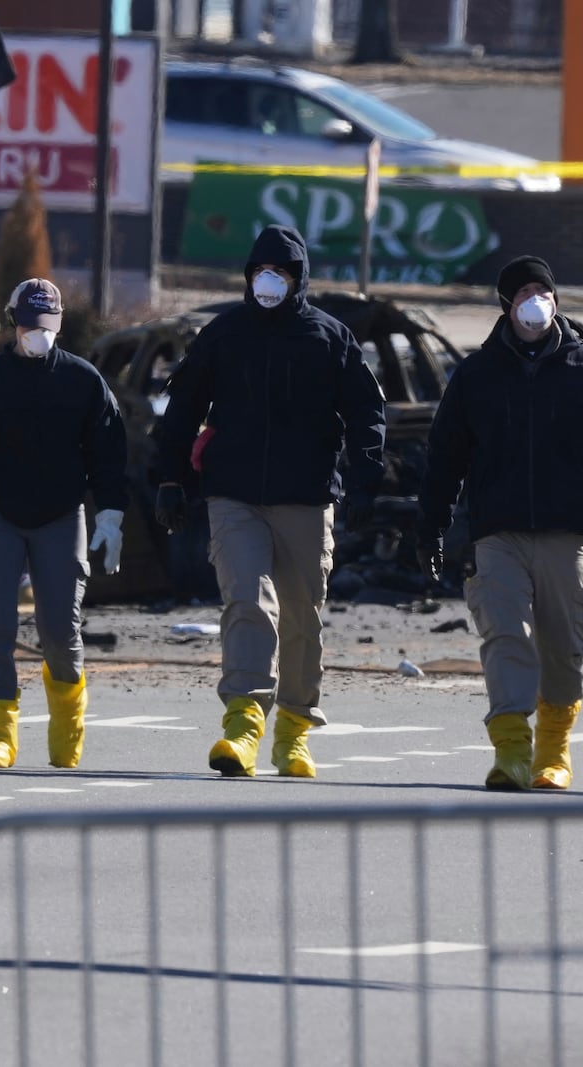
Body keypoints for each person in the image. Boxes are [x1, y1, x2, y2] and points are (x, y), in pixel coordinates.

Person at [152, 223, 386, 779]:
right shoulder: (223, 335)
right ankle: (243, 726)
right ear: (247, 276)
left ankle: (294, 732)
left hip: (305, 499)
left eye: (280, 272)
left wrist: (365, 482)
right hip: (233, 497)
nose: (269, 281)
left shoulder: (330, 337)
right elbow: (182, 409)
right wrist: (169, 479)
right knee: (247, 602)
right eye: (261, 271)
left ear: (298, 278)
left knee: (302, 619)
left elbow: (366, 413)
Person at [417, 255, 583, 791]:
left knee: (563, 647)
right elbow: (445, 458)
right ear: (505, 305)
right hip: (497, 534)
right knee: (504, 635)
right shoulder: (475, 375)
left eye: (541, 290)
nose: (533, 301)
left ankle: (553, 751)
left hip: (568, 533)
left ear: (556, 299)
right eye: (522, 293)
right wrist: (431, 527)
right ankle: (512, 752)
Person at [0, 278, 127, 771]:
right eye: (32, 325)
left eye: (49, 326)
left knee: (60, 627)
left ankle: (67, 730)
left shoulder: (83, 380)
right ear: (14, 322)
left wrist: (113, 514)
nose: (40, 335)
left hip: (61, 514)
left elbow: (109, 454)